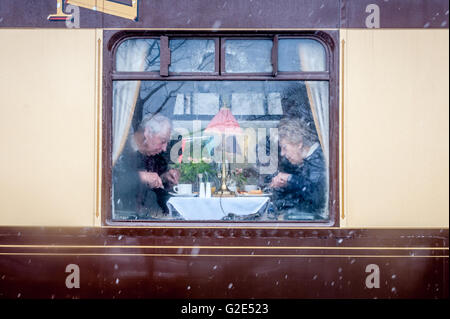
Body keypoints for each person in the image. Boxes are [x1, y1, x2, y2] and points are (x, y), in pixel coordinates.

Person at [113, 113, 180, 219]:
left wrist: (163, 179)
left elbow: (154, 194)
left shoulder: (155, 156)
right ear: (148, 132)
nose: (165, 148)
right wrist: (141, 177)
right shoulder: (116, 149)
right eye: (163, 141)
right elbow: (109, 184)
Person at [269, 117, 327, 220]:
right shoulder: (310, 159)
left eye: (285, 148)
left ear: (299, 144)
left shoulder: (318, 160)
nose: (282, 153)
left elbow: (317, 196)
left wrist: (290, 179)